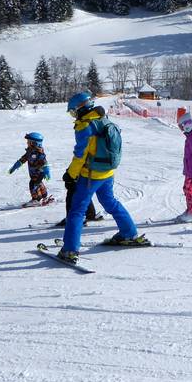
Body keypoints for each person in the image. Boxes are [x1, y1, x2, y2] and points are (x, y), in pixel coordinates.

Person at [58, 92, 144, 263]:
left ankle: (69, 250)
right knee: (110, 202)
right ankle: (129, 233)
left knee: (77, 210)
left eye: (73, 112)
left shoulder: (85, 126)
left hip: (91, 176)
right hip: (108, 173)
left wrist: (70, 174)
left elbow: (80, 155)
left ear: (81, 108)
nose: (74, 116)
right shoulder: (103, 119)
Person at [8, 132, 53, 207]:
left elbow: (45, 163)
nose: (27, 143)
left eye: (29, 142)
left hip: (39, 173)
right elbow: (22, 160)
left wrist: (47, 171)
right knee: (38, 183)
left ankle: (36, 199)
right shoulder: (29, 152)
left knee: (33, 184)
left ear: (34, 143)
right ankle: (44, 196)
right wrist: (15, 167)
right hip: (34, 173)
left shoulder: (39, 154)